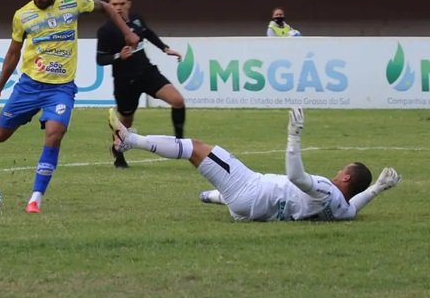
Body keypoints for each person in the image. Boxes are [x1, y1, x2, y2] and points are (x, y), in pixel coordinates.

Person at [0, 0, 139, 214]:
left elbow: (107, 8)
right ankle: (10, 118)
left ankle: (35, 198)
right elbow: (13, 53)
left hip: (60, 89)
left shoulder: (73, 4)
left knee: (55, 134)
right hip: (29, 86)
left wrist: (127, 33)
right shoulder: (22, 15)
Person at [109, 107, 401, 221]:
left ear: (346, 178)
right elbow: (354, 208)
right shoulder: (340, 210)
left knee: (196, 148)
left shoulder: (326, 189)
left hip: (251, 188)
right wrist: (377, 188)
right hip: (254, 210)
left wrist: (294, 136)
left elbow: (297, 177)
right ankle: (210, 196)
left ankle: (129, 141)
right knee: (218, 177)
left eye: (342, 170)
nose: (338, 171)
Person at [96, 0, 186, 168]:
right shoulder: (106, 30)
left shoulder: (136, 19)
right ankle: (118, 154)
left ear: (128, 4)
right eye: (114, 4)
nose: (118, 7)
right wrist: (118, 56)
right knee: (125, 122)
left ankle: (180, 144)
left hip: (147, 73)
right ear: (109, 6)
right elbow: (100, 59)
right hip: (125, 81)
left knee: (177, 100)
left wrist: (165, 48)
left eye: (122, 3)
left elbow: (148, 33)